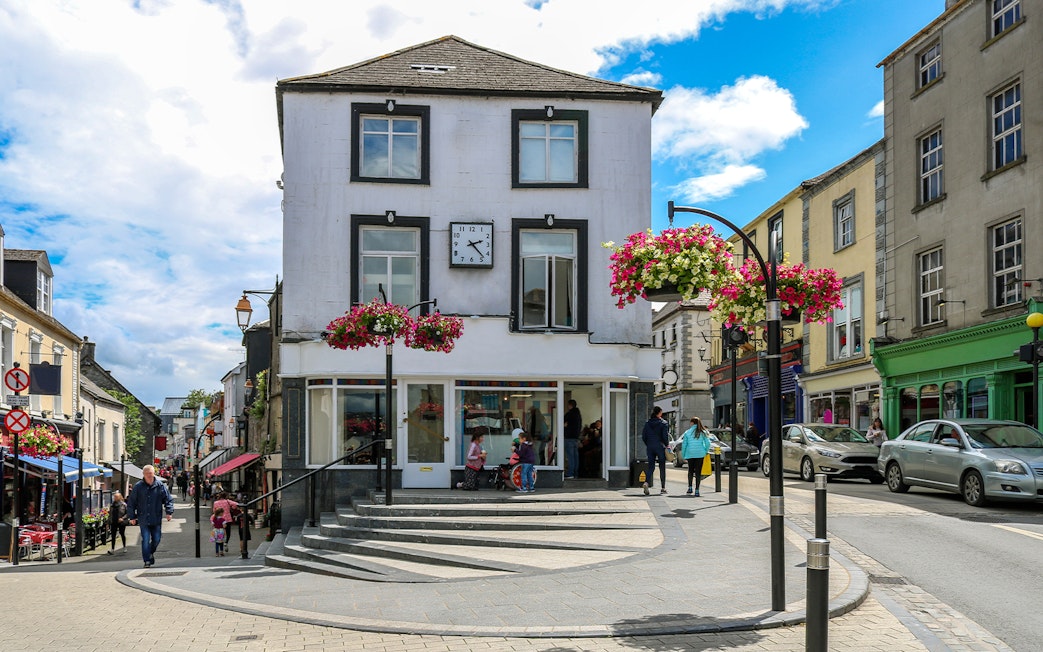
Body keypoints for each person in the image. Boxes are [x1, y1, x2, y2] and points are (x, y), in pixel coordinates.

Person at [126, 464, 174, 568]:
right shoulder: (138, 487)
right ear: (143, 474)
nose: (149, 476)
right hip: (143, 518)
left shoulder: (160, 485)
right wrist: (132, 517)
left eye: (151, 473)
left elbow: (168, 499)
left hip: (156, 518)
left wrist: (169, 512)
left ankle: (150, 552)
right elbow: (131, 503)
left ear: (154, 473)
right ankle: (147, 560)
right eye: (147, 474)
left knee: (157, 539)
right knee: (145, 539)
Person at [641, 406, 671, 495]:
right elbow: (665, 436)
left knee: (651, 467)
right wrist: (667, 445)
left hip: (650, 447)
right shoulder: (663, 423)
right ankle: (663, 488)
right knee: (662, 467)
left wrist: (648, 444)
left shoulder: (647, 423)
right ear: (659, 413)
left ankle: (646, 482)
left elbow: (644, 436)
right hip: (660, 447)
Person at [681, 417, 713, 496]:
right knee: (698, 472)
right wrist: (705, 451)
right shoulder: (703, 432)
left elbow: (684, 444)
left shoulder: (687, 432)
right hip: (700, 454)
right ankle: (697, 490)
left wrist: (683, 454)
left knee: (690, 471)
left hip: (690, 453)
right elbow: (708, 443)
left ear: (692, 423)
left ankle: (690, 487)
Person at [563, 400, 582, 479]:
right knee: (575, 457)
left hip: (569, 437)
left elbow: (563, 423)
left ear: (570, 405)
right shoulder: (578, 415)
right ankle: (575, 473)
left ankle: (570, 473)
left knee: (570, 457)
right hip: (576, 438)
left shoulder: (569, 414)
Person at [514, 428, 537, 493]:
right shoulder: (529, 445)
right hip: (531, 461)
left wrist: (515, 450)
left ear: (524, 439)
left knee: (523, 474)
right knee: (529, 474)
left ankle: (524, 488)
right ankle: (531, 487)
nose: (518, 440)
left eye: (519, 438)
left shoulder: (524, 445)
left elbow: (521, 454)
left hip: (526, 461)